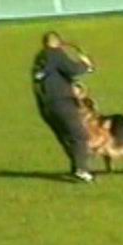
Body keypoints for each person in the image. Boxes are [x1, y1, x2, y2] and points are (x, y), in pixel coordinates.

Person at [32, 31, 96, 183]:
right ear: (58, 44)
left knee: (66, 137)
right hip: (61, 103)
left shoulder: (40, 57)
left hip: (45, 106)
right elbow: (72, 69)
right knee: (80, 136)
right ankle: (82, 170)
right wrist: (86, 65)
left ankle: (77, 168)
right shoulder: (55, 54)